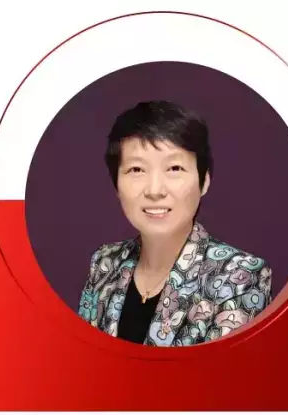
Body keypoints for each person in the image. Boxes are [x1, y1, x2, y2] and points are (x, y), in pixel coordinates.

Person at [78, 100, 272, 346]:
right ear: (116, 184)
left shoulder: (239, 275)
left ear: (204, 182)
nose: (155, 190)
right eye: (137, 170)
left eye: (174, 168)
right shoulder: (105, 262)